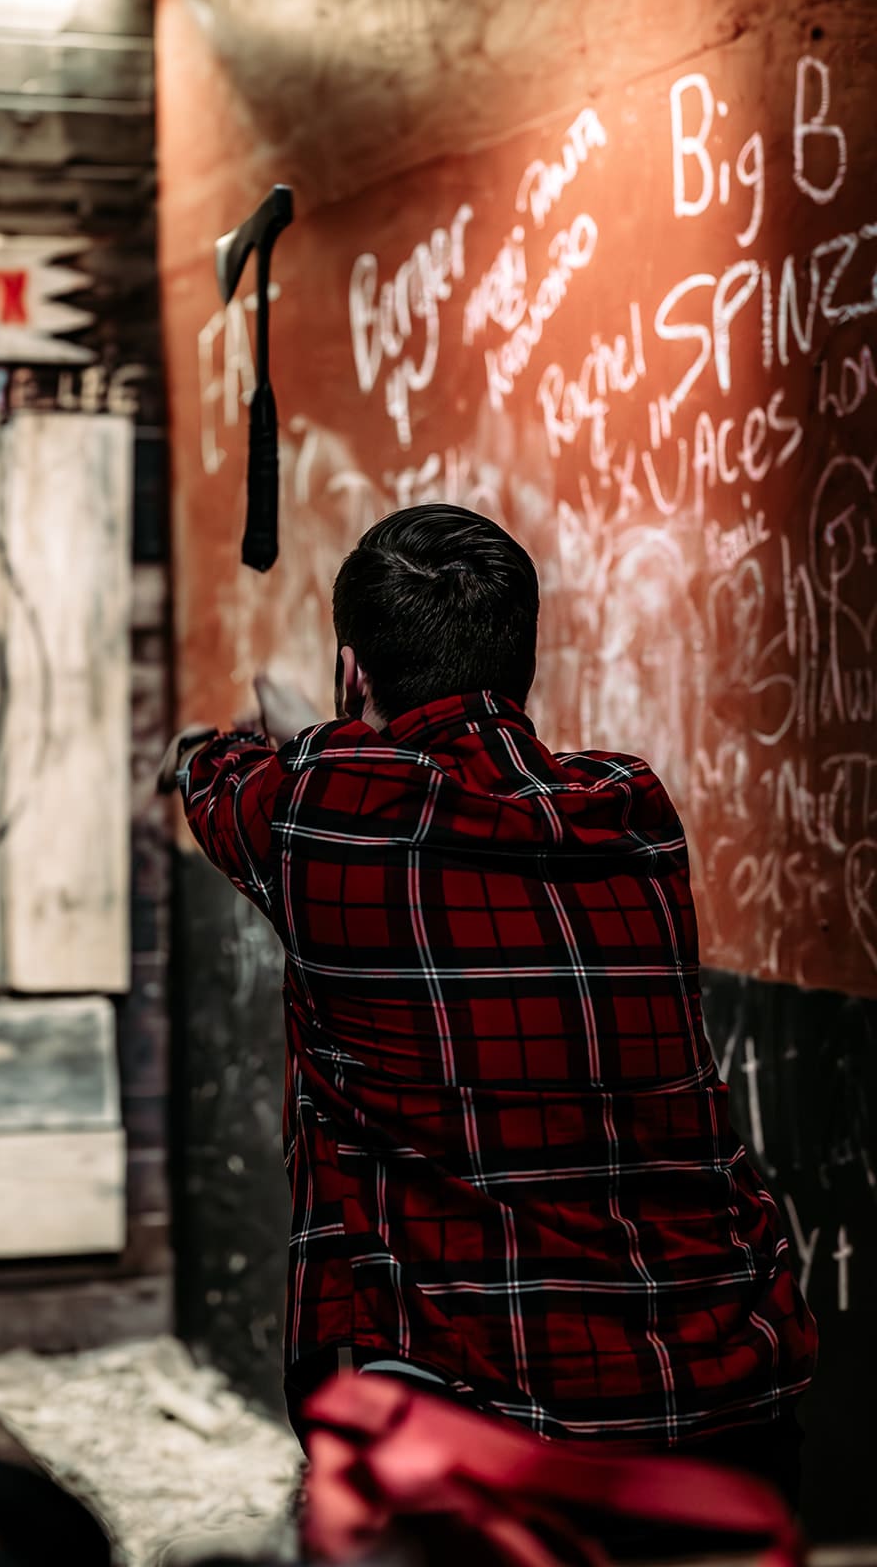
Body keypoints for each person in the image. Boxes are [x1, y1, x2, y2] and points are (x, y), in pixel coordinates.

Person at [159, 504, 816, 1506]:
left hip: (473, 1435)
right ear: (521, 665)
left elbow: (214, 776)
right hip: (728, 1402)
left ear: (351, 672)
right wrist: (335, 741)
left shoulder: (315, 809)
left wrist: (279, 738)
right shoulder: (633, 807)